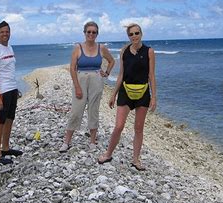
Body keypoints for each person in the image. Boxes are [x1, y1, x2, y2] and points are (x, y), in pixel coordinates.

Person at [98, 23, 156, 170]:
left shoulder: (149, 51)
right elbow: (121, 74)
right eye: (131, 34)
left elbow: (151, 76)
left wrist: (154, 96)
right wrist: (113, 94)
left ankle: (136, 160)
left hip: (143, 92)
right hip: (125, 91)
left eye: (137, 33)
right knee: (118, 126)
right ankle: (108, 154)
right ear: (128, 36)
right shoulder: (124, 51)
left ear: (141, 34)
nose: (134, 36)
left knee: (138, 128)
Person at [60, 21, 115, 152]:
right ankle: (66, 141)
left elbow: (112, 61)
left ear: (97, 34)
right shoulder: (78, 48)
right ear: (84, 33)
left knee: (93, 110)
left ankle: (92, 141)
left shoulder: (101, 48)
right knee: (76, 111)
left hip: (96, 80)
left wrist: (106, 73)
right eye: (88, 32)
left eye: (94, 32)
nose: (91, 34)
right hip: (81, 79)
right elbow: (72, 69)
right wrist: (77, 86)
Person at [0, 21, 23, 165]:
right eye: (2, 32)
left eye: (7, 31)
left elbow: (9, 71)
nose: (5, 34)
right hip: (1, 92)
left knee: (9, 119)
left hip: (12, 89)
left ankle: (6, 148)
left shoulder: (9, 48)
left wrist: (15, 89)